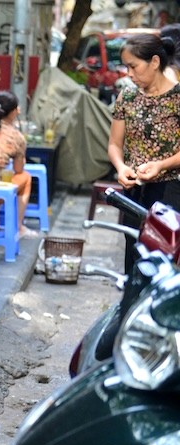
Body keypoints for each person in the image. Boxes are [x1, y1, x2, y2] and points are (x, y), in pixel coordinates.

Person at [109, 33, 180, 273]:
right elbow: (114, 145)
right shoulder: (127, 97)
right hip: (134, 188)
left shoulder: (177, 98)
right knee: (133, 250)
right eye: (126, 67)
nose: (129, 74)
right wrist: (121, 167)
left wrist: (162, 164)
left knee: (163, 255)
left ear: (155, 62)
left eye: (133, 66)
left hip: (170, 189)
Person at [0, 91, 38, 238]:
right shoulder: (16, 137)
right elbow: (18, 169)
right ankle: (18, 227)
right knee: (25, 176)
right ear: (13, 112)